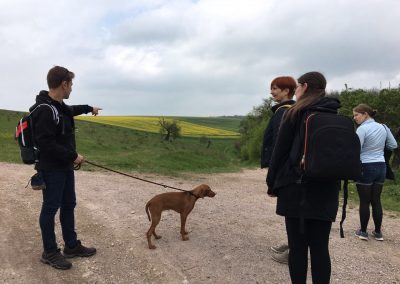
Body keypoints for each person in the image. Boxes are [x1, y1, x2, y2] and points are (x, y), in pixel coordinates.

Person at [267, 71, 340, 284]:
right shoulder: (335, 116)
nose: (296, 90)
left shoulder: (294, 114)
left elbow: (279, 154)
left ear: (305, 87)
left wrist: (272, 184)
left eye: (298, 86)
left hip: (296, 189)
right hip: (327, 190)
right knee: (320, 249)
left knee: (298, 249)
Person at [31, 66, 102, 270]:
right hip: (51, 169)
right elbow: (46, 144)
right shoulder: (45, 109)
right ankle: (50, 252)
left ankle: (71, 246)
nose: (72, 88)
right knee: (50, 209)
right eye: (71, 84)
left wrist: (89, 108)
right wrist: (74, 156)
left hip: (65, 167)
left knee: (69, 204)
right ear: (64, 84)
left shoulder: (59, 105)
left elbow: (72, 110)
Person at [260, 76, 296, 264]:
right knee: (293, 210)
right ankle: (292, 245)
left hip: (285, 169)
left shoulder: (283, 112)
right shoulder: (291, 110)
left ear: (286, 91)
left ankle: (294, 251)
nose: (272, 92)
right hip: (291, 168)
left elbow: (279, 145)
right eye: (271, 88)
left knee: (291, 210)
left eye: (275, 88)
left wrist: (273, 174)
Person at [352, 104, 397, 241]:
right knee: (376, 200)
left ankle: (363, 232)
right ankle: (378, 233)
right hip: (381, 166)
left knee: (365, 201)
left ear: (365, 114)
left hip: (366, 166)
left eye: (356, 115)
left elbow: (356, 149)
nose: (354, 118)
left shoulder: (362, 129)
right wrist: (379, 148)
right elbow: (393, 145)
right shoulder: (383, 127)